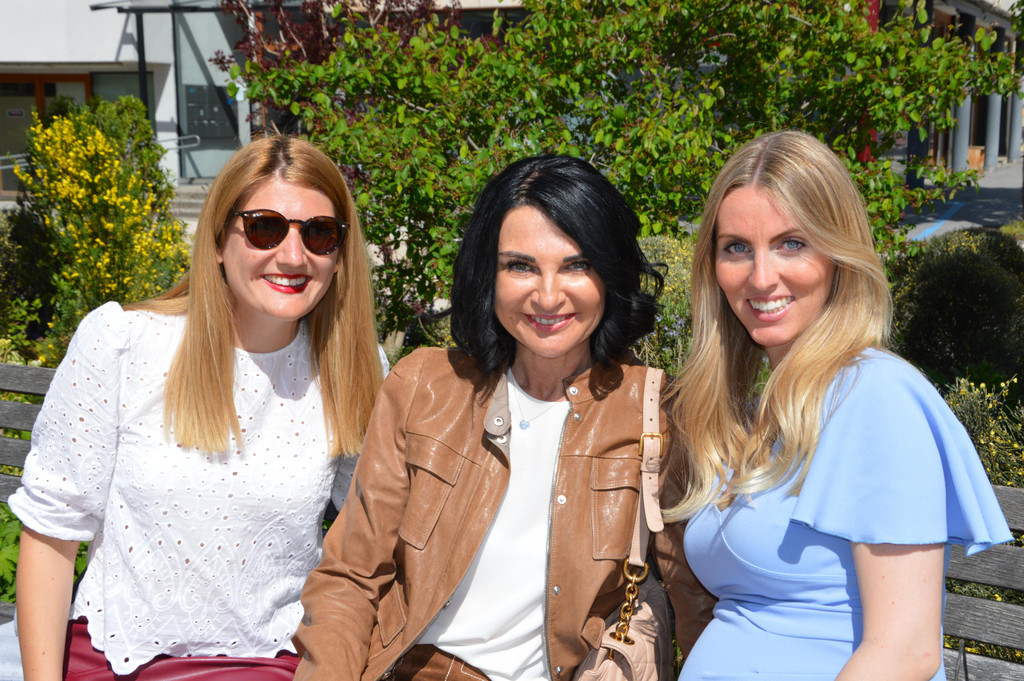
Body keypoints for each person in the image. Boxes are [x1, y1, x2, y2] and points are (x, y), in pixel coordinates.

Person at [292, 155, 714, 681]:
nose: (548, 296)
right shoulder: (422, 386)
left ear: (609, 273)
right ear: (487, 274)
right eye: (520, 266)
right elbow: (350, 577)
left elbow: (696, 598)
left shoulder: (655, 414)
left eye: (576, 265)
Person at [10, 135, 386, 681]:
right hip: (117, 657)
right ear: (217, 241)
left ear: (339, 254)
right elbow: (52, 533)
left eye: (319, 233)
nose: (292, 255)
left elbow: (375, 540)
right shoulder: (123, 343)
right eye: (264, 228)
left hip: (270, 663)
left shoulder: (349, 368)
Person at [665, 130, 1012, 681]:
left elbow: (905, 653)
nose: (761, 277)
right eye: (737, 247)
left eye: (791, 243)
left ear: (838, 253)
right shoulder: (762, 410)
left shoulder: (876, 397)